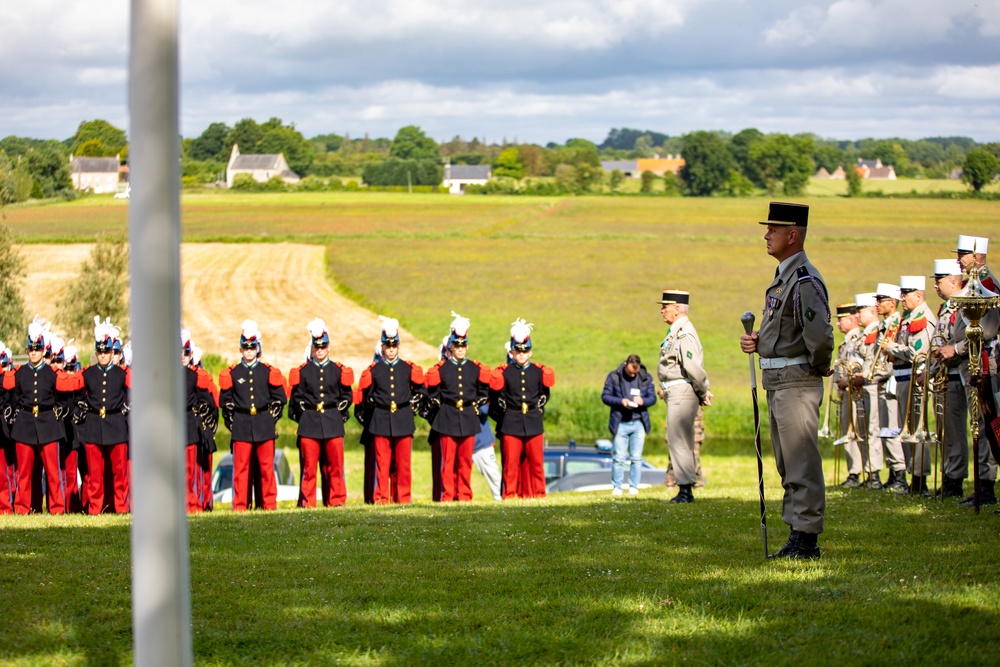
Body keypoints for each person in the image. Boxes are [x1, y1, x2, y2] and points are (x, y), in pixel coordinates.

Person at [739, 202, 834, 559]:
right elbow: (785, 331)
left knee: (802, 461)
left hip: (797, 381)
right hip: (778, 380)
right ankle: (797, 531)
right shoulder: (784, 279)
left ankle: (807, 538)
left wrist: (821, 365)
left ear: (792, 235)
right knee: (786, 463)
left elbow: (820, 337)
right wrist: (757, 341)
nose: (766, 235)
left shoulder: (805, 279)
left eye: (773, 230)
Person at [939, 235, 1000, 507]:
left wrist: (958, 348)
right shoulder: (973, 284)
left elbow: (987, 330)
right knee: (981, 425)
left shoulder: (986, 285)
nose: (958, 260)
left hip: (987, 363)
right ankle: (981, 487)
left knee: (990, 424)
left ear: (976, 257)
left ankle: (986, 487)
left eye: (962, 254)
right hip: (974, 364)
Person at [4, 318, 79, 515]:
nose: (34, 352)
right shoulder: (19, 374)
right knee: (25, 474)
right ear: (28, 351)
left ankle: (56, 509)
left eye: (38, 349)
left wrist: (59, 410)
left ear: (44, 350)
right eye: (31, 349)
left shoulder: (52, 374)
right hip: (25, 424)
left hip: (48, 424)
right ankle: (22, 508)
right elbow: (14, 397)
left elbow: (62, 397)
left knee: (53, 473)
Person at [218, 320, 288, 511]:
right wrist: (231, 417)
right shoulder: (233, 373)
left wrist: (272, 414)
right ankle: (240, 505)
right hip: (241, 425)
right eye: (245, 348)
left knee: (266, 468)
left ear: (258, 349)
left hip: (264, 423)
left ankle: (269, 505)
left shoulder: (267, 371)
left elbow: (280, 397)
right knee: (240, 470)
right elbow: (224, 400)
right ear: (240, 349)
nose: (249, 351)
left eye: (252, 348)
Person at [355, 316, 424, 504]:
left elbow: (421, 389)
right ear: (383, 347)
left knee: (403, 465)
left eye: (394, 346)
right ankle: (381, 498)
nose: (391, 349)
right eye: (388, 346)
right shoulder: (374, 370)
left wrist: (415, 402)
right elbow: (365, 395)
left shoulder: (408, 368)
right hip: (381, 420)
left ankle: (403, 499)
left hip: (403, 418)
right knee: (382, 464)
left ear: (398, 346)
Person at [425, 313, 491, 502]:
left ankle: (464, 495)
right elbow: (433, 390)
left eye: (463, 345)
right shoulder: (441, 369)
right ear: (451, 347)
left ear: (467, 346)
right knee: (448, 461)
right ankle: (448, 496)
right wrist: (438, 403)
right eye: (457, 346)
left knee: (465, 461)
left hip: (468, 417)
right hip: (447, 417)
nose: (460, 349)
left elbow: (483, 390)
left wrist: (478, 402)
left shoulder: (475, 368)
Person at [288, 318, 354, 508]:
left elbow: (346, 396)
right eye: (317, 347)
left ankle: (336, 501)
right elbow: (296, 398)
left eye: (323, 346)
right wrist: (305, 414)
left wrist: (339, 410)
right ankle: (308, 502)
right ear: (312, 348)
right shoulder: (304, 371)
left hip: (333, 423)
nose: (320, 350)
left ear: (329, 347)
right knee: (309, 468)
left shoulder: (337, 370)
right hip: (309, 424)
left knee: (335, 466)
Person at [657, 289, 712, 503]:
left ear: (678, 309)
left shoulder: (684, 333)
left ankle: (685, 489)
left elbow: (693, 368)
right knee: (680, 440)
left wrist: (703, 390)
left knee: (679, 440)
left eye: (666, 306)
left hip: (681, 390)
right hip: (677, 391)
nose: (662, 311)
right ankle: (685, 487)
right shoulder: (676, 331)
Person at [490, 319, 555, 499]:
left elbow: (545, 394)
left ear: (531, 352)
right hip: (511, 421)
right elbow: (497, 396)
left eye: (525, 350)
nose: (521, 354)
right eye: (518, 350)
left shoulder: (538, 371)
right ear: (511, 351)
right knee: (510, 465)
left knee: (536, 464)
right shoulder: (504, 372)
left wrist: (540, 404)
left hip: (533, 421)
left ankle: (540, 495)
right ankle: (509, 496)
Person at [884, 276, 937, 495]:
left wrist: (892, 348)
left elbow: (917, 352)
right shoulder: (908, 318)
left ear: (918, 295)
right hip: (903, 378)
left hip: (916, 379)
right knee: (907, 431)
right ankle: (912, 475)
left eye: (905, 294)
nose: (901, 298)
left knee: (916, 430)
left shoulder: (922, 318)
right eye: (901, 294)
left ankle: (919, 479)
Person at [74, 317, 131, 514]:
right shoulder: (88, 374)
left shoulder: (122, 374)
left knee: (119, 472)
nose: (103, 355)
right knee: (95, 474)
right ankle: (95, 509)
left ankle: (121, 508)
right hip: (94, 425)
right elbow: (74, 391)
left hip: (115, 424)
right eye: (100, 352)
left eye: (107, 351)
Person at [928, 259, 969, 498]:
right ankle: (948, 475)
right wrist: (930, 371)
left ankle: (955, 480)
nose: (935, 285)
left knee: (954, 431)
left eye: (939, 280)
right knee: (944, 431)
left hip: (956, 374)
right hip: (943, 376)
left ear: (954, 281)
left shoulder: (963, 305)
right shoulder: (945, 309)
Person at [602, 353, 657, 497]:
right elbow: (605, 396)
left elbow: (653, 398)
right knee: (619, 457)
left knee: (636, 458)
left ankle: (633, 487)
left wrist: (642, 401)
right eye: (631, 372)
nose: (633, 375)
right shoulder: (614, 376)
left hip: (639, 422)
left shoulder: (646, 377)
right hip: (621, 422)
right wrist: (621, 402)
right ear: (626, 364)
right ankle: (617, 487)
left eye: (635, 373)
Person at [871, 282, 907, 491]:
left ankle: (900, 473)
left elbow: (890, 356)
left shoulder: (895, 324)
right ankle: (894, 472)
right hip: (883, 381)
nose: (876, 305)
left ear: (892, 303)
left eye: (881, 301)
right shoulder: (885, 324)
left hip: (891, 380)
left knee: (892, 428)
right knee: (886, 429)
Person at [851, 292, 884, 488]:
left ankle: (874, 473)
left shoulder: (876, 332)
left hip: (871, 384)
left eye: (860, 311)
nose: (857, 316)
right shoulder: (865, 335)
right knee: (864, 431)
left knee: (872, 430)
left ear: (872, 312)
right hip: (863, 385)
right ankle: (869, 471)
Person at [181, 331, 217, 513]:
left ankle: (193, 506)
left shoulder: (196, 376)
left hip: (189, 426)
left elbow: (209, 402)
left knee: (190, 472)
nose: (182, 356)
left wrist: (204, 414)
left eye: (185, 353)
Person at [831, 303, 865, 488]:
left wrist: (847, 380)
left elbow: (858, 365)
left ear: (851, 319)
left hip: (854, 391)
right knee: (848, 431)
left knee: (856, 431)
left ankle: (859, 471)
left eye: (841, 319)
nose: (838, 324)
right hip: (846, 392)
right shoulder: (847, 341)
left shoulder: (857, 339)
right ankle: (854, 471)